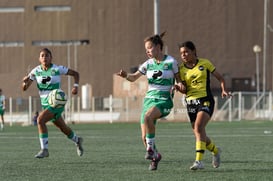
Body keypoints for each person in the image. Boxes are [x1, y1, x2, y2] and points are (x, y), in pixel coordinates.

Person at [116, 32, 184, 171]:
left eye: (150, 48)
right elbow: (134, 78)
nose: (147, 51)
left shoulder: (171, 62)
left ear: (159, 47)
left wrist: (179, 85)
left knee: (148, 117)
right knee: (144, 137)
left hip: (164, 100)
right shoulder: (148, 64)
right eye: (146, 49)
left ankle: (150, 151)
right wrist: (125, 76)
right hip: (148, 101)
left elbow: (179, 80)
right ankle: (155, 157)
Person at [176, 41, 231, 170]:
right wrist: (179, 88)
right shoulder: (181, 69)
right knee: (199, 133)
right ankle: (216, 151)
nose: (183, 55)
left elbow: (220, 78)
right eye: (181, 53)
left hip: (205, 100)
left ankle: (198, 161)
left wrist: (223, 90)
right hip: (191, 103)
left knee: (199, 126)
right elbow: (185, 89)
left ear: (194, 51)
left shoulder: (205, 63)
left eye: (186, 52)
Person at [21, 48, 84, 158]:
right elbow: (25, 88)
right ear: (39, 59)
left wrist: (76, 87)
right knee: (63, 128)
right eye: (42, 56)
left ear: (51, 58)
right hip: (46, 104)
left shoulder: (57, 69)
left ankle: (44, 149)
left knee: (40, 120)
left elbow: (75, 74)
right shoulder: (35, 71)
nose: (44, 57)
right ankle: (77, 140)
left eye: (47, 55)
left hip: (57, 102)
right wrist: (24, 82)